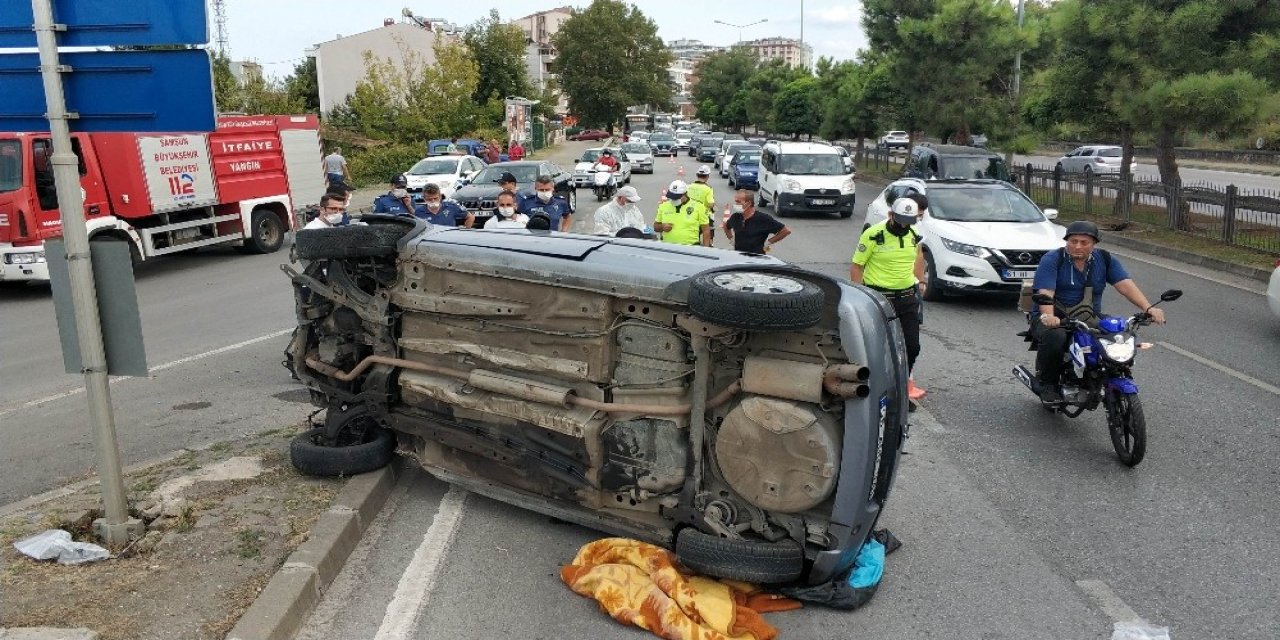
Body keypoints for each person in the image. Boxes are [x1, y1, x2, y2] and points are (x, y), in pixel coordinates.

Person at [1028, 220, 1166, 404]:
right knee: (1057, 337)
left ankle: (1110, 374)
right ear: (1066, 241)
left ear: (1094, 244)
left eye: (1084, 242)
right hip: (1053, 317)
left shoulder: (1105, 259)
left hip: (1088, 316)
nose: (1077, 246)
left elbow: (1125, 285)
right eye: (1073, 241)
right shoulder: (1053, 259)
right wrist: (1048, 316)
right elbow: (1045, 292)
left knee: (1117, 332)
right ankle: (1048, 384)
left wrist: (1148, 308)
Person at [851, 196, 927, 402]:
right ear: (891, 215)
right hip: (879, 298)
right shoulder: (873, 234)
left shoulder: (914, 233)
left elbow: (918, 256)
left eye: (908, 221)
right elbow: (857, 265)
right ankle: (875, 386)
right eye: (900, 219)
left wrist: (921, 281)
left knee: (912, 346)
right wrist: (858, 295)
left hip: (907, 297)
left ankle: (900, 386)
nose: (904, 225)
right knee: (878, 345)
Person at [723, 189, 790, 254]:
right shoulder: (736, 217)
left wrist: (769, 242)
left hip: (757, 258)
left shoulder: (763, 219)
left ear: (748, 203)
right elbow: (726, 226)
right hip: (739, 256)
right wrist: (731, 240)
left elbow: (785, 231)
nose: (736, 204)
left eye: (738, 202)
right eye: (736, 201)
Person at [654, 180, 710, 247]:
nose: (674, 200)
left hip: (691, 248)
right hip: (668, 248)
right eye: (672, 197)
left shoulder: (698, 206)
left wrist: (706, 250)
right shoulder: (663, 206)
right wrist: (662, 227)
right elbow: (656, 227)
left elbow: (706, 230)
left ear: (685, 194)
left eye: (676, 198)